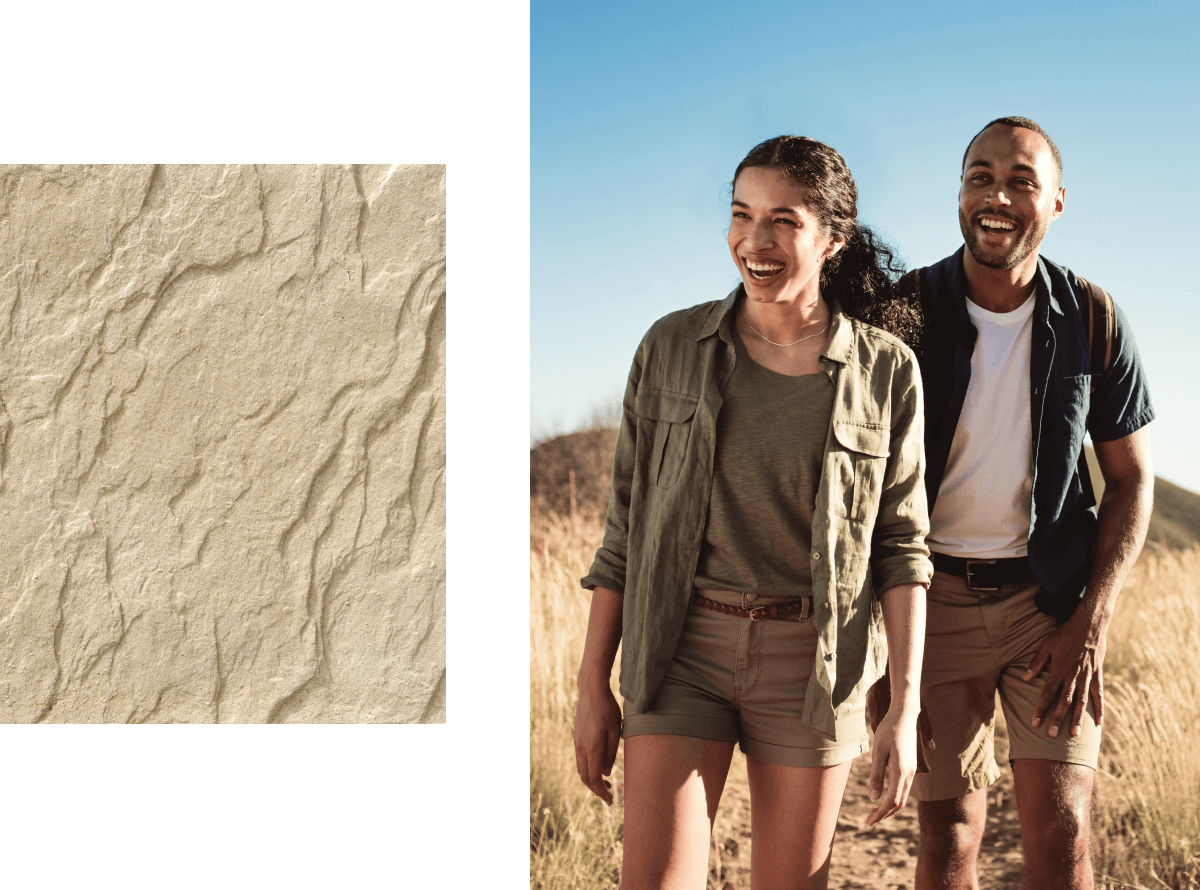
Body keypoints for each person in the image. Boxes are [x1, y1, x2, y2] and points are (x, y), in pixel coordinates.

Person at [574, 134, 933, 890]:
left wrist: (902, 707)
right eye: (741, 214)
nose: (754, 240)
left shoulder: (886, 370)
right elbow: (624, 534)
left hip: (813, 663)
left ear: (832, 240)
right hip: (681, 649)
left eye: (783, 221)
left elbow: (902, 550)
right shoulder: (671, 348)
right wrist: (591, 687)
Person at [874, 117, 1154, 890]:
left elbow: (1130, 480)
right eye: (979, 176)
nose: (996, 195)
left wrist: (1090, 622)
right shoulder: (903, 312)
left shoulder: (1094, 319)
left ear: (1057, 201)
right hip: (932, 604)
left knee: (1062, 834)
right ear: (959, 192)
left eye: (1021, 179)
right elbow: (853, 487)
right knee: (948, 840)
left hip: (1049, 609)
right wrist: (881, 649)